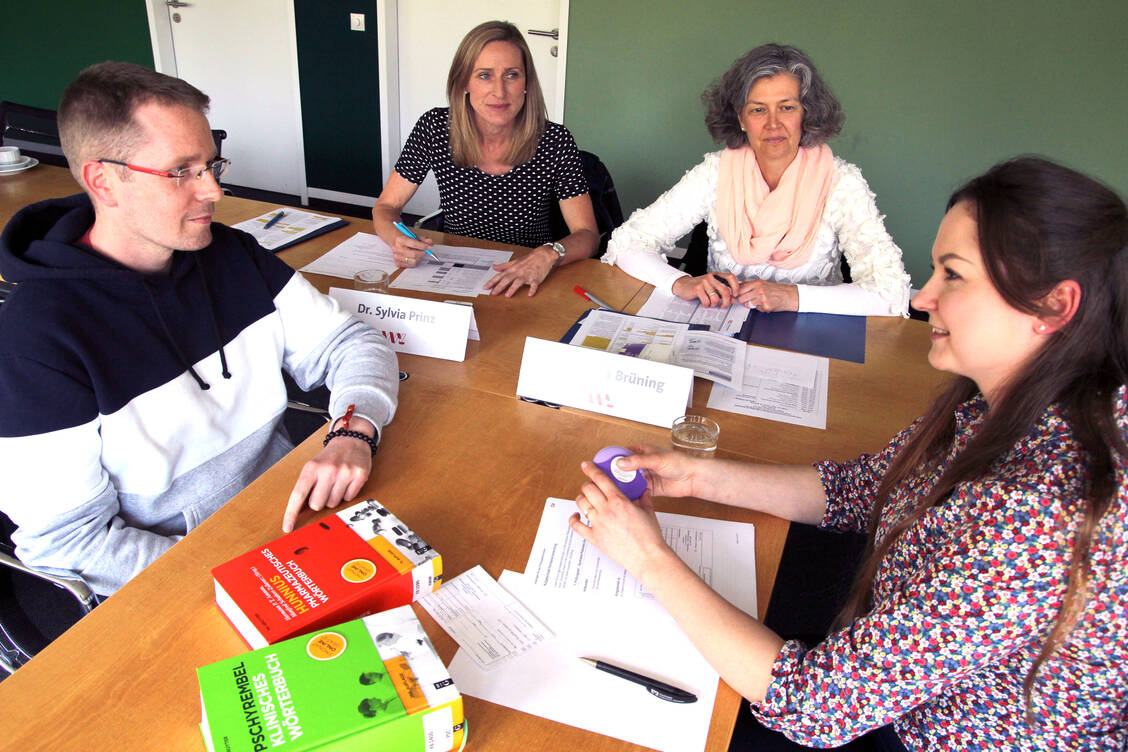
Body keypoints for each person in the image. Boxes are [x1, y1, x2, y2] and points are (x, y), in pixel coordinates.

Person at [572, 157, 1128, 749]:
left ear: (1054, 307)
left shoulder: (1045, 516)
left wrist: (648, 559)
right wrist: (695, 476)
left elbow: (813, 706)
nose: (923, 295)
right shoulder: (1011, 401)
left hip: (910, 730)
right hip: (880, 633)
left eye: (954, 276)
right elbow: (865, 488)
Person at [0, 62, 399, 596]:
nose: (212, 190)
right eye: (181, 171)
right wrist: (244, 578)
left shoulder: (231, 254)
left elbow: (348, 342)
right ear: (103, 180)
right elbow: (70, 542)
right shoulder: (35, 342)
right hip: (183, 581)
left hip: (289, 516)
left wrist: (354, 428)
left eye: (212, 164)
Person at [603, 43, 910, 316]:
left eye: (786, 108)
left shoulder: (841, 183)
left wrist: (792, 297)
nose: (773, 124)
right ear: (741, 118)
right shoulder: (716, 171)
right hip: (724, 329)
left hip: (813, 338)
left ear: (806, 112)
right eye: (758, 109)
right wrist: (679, 282)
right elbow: (626, 243)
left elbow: (891, 293)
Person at [371, 20, 599, 297]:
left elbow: (587, 234)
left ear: (527, 83)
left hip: (527, 277)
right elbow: (386, 206)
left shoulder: (554, 141)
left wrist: (551, 253)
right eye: (484, 75)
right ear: (464, 82)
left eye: (512, 75)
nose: (499, 92)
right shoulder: (435, 128)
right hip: (454, 272)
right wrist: (398, 239)